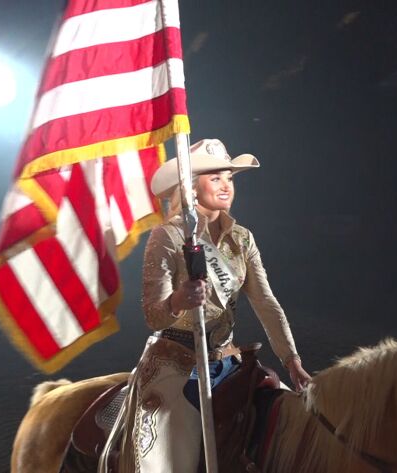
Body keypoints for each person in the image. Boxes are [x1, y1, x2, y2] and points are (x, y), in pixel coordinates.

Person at [120, 138, 311, 473]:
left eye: (230, 179)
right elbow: (153, 314)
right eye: (216, 179)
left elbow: (266, 302)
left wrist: (291, 360)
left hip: (225, 358)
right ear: (192, 188)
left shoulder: (242, 239)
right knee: (169, 459)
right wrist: (179, 300)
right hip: (175, 362)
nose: (226, 186)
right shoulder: (167, 237)